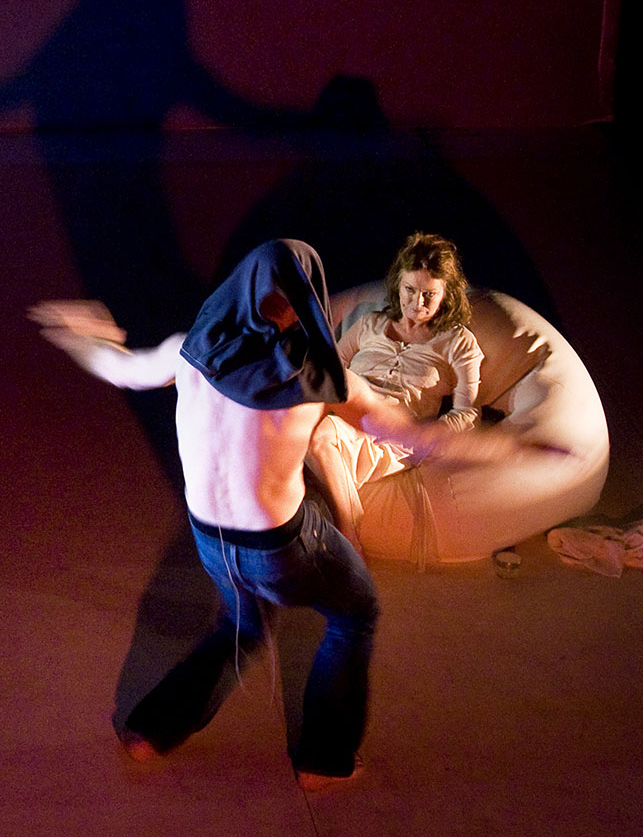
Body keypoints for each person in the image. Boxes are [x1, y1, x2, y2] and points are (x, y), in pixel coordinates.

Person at [30, 239, 542, 788]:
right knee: (356, 613)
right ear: (304, 304)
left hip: (210, 540)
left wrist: (81, 337)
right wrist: (511, 448)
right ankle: (323, 761)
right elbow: (417, 437)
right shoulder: (323, 380)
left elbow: (120, 368)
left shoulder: (188, 351)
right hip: (280, 547)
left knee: (240, 626)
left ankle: (150, 731)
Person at [308, 233, 483, 550]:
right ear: (398, 287)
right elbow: (330, 373)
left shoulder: (458, 342)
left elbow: (467, 412)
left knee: (322, 437)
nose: (417, 303)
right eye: (410, 290)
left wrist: (427, 436)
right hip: (346, 413)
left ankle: (349, 532)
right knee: (297, 425)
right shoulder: (368, 325)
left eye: (429, 294)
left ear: (446, 294)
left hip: (393, 433)